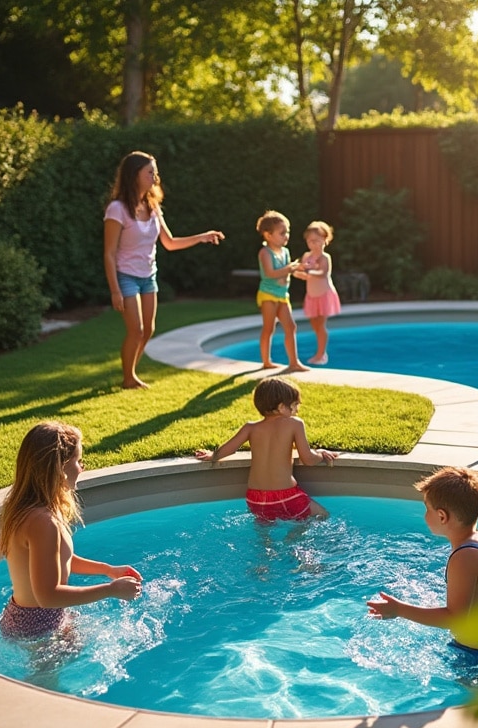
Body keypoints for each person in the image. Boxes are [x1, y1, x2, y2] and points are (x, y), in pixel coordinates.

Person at [0, 422, 143, 640]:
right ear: (59, 468)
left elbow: (58, 560)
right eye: (78, 460)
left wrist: (107, 569)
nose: (82, 468)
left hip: (27, 617)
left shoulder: (31, 511)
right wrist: (110, 590)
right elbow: (47, 596)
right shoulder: (44, 522)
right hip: (37, 626)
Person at [104, 151, 224, 389]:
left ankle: (130, 373)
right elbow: (108, 252)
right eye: (150, 172)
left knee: (148, 329)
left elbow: (169, 243)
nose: (155, 177)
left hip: (149, 275)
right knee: (136, 330)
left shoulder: (153, 206)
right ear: (134, 175)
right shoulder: (117, 209)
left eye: (155, 172)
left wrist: (202, 237)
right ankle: (128, 378)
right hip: (126, 276)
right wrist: (115, 290)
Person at [367, 466, 478, 657]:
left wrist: (399, 609)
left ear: (442, 516)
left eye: (427, 509)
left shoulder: (464, 557)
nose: (425, 516)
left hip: (475, 652)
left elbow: (454, 618)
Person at [193, 376, 337, 523]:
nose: (297, 410)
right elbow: (308, 459)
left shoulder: (250, 427)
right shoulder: (294, 424)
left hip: (255, 499)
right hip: (286, 497)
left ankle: (265, 543)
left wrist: (213, 456)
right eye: (294, 405)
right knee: (322, 515)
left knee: (265, 528)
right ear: (281, 407)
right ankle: (292, 539)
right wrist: (321, 454)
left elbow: (229, 449)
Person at [253, 211, 307, 372]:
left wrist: (299, 273)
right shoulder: (265, 253)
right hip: (268, 295)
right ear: (268, 235)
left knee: (291, 326)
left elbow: (287, 271)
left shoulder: (285, 252)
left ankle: (294, 362)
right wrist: (289, 268)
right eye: (282, 233)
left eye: (287, 232)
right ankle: (266, 361)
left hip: (283, 295)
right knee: (269, 328)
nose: (286, 236)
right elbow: (270, 273)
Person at [292, 220, 342, 365]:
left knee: (320, 325)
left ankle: (321, 354)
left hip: (324, 295)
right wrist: (297, 272)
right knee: (315, 324)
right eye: (309, 241)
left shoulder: (325, 258)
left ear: (325, 240)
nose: (312, 244)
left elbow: (322, 273)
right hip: (312, 295)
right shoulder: (307, 256)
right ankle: (320, 352)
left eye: (316, 240)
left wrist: (308, 270)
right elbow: (304, 274)